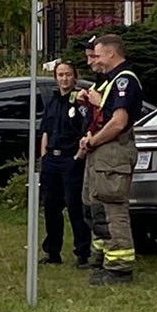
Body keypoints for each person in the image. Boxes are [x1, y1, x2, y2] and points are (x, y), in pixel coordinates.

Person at [78, 31, 144, 285]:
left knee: (111, 208)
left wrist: (93, 140)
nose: (94, 57)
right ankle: (105, 260)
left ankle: (119, 268)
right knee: (96, 207)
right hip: (102, 152)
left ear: (112, 53)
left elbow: (118, 123)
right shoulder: (112, 81)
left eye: (99, 52)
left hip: (113, 151)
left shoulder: (124, 81)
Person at [36, 60, 91, 266]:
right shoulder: (53, 101)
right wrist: (44, 156)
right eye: (60, 75)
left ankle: (82, 252)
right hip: (52, 159)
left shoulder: (81, 101)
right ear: (56, 78)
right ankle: (52, 251)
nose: (64, 78)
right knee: (51, 206)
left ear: (74, 76)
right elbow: (46, 130)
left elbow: (86, 130)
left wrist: (79, 156)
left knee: (75, 205)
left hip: (71, 159)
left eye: (68, 74)